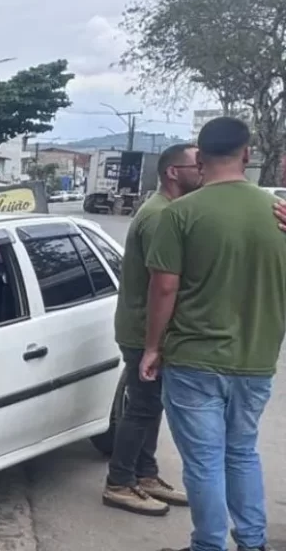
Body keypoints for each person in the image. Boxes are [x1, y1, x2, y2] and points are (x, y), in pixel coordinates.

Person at [143, 117, 286, 551]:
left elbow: (164, 286)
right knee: (241, 452)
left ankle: (209, 545)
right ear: (248, 155)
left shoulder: (181, 213)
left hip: (194, 359)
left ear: (200, 159)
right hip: (256, 359)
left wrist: (152, 346)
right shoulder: (277, 213)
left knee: (204, 460)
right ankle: (253, 542)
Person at [102, 144, 200, 516]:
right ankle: (119, 481)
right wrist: (154, 342)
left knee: (149, 404)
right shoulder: (161, 216)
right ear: (173, 172)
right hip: (144, 330)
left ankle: (145, 473)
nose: (204, 171)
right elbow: (164, 283)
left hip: (143, 327)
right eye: (197, 165)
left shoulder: (164, 211)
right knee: (142, 406)